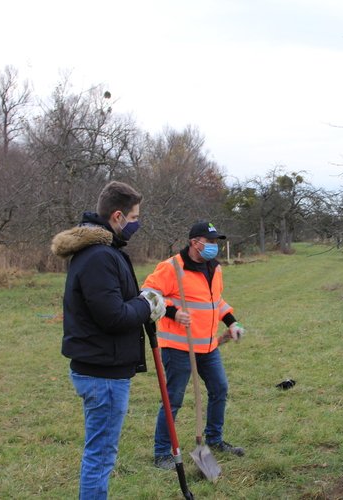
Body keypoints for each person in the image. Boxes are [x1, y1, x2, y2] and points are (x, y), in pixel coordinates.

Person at [51, 181, 165, 499]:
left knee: (100, 454)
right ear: (117, 216)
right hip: (103, 373)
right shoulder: (99, 256)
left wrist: (142, 298)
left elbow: (113, 302)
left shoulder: (102, 252)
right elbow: (113, 316)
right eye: (134, 217)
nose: (136, 224)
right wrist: (147, 305)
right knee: (100, 457)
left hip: (102, 366)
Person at [141, 220, 245, 470]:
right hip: (178, 347)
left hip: (208, 346)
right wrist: (173, 313)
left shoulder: (214, 269)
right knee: (173, 399)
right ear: (194, 242)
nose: (213, 247)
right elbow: (147, 294)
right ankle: (162, 453)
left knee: (220, 388)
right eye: (209, 242)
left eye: (215, 242)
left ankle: (215, 439)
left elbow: (215, 302)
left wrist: (231, 322)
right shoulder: (171, 268)